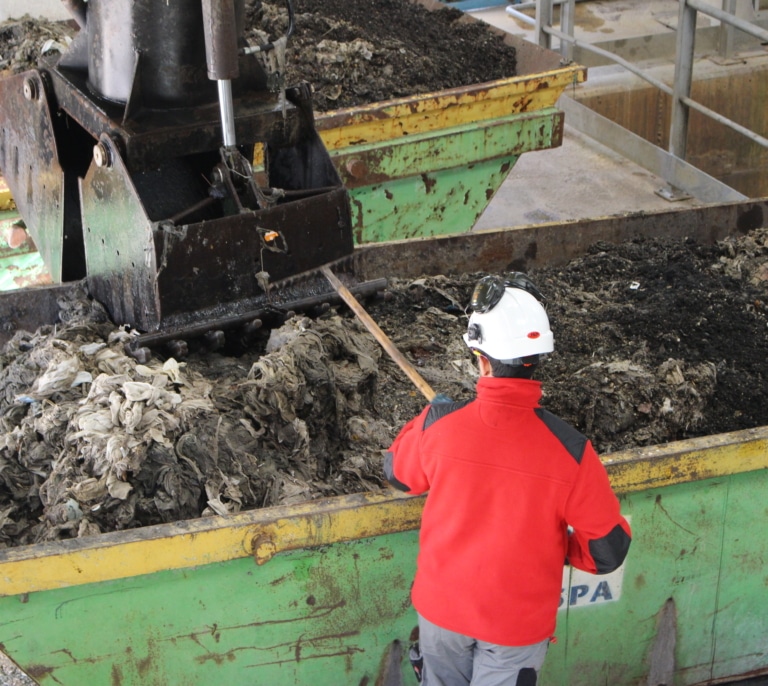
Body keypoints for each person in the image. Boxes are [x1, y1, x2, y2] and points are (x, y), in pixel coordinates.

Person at [383, 273, 631, 686]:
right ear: (539, 359)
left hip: (442, 613)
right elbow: (607, 550)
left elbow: (398, 475)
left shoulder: (439, 426)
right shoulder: (571, 450)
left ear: (481, 359)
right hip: (517, 627)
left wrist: (428, 419)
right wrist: (558, 548)